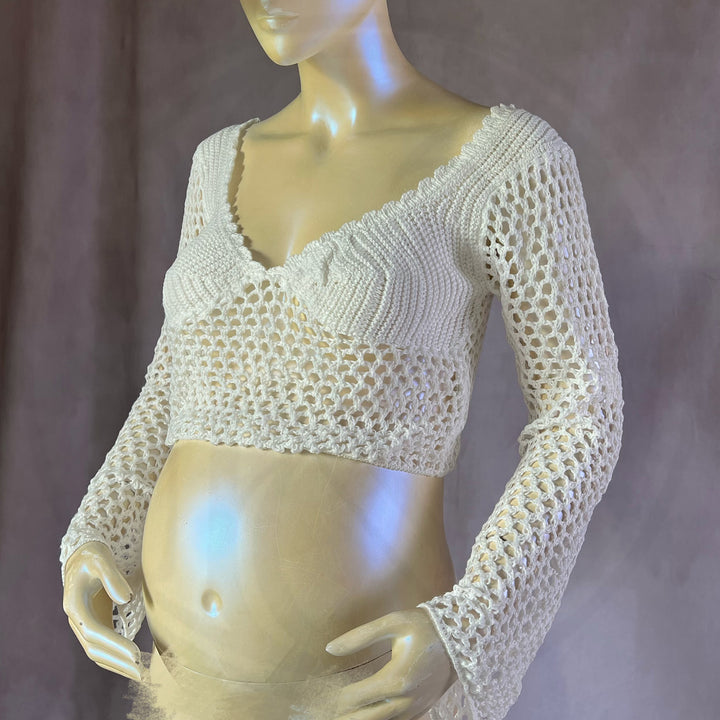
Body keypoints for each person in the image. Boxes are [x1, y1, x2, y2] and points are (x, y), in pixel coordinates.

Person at [60, 2, 624, 719]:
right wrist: (101, 531)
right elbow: (174, 387)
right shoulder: (217, 162)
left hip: (362, 692)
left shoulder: (505, 163)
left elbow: (583, 410)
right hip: (182, 683)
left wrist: (472, 626)